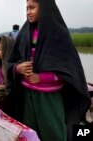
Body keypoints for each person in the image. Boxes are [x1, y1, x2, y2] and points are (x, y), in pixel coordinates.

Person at [6, 0, 91, 141]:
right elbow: (13, 61)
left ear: (45, 8)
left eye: (32, 8)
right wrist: (17, 68)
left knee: (53, 133)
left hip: (48, 97)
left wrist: (41, 78)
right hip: (27, 94)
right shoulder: (25, 32)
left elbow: (69, 70)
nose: (28, 12)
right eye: (26, 8)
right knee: (30, 133)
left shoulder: (58, 34)